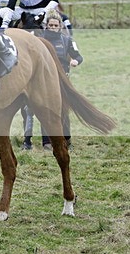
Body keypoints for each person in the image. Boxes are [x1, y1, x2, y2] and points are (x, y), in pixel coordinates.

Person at [21, 11, 84, 150]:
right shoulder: (40, 40)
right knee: (46, 110)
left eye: (55, 25)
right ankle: (47, 142)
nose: (53, 27)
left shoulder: (67, 40)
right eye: (50, 25)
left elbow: (79, 57)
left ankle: (67, 141)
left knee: (63, 111)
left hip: (63, 80)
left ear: (60, 26)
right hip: (45, 80)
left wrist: (75, 61)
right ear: (47, 26)